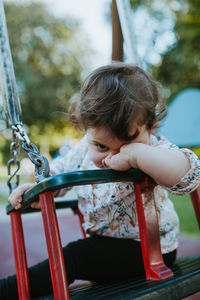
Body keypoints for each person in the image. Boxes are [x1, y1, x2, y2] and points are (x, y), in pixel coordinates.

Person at [1, 63, 200, 299]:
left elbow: (188, 174)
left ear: (151, 127)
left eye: (128, 143)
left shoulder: (155, 148)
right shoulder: (83, 151)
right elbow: (56, 175)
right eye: (102, 146)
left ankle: (10, 290)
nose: (112, 157)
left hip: (152, 250)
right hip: (107, 248)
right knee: (84, 253)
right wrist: (33, 190)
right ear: (87, 130)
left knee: (75, 256)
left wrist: (136, 155)